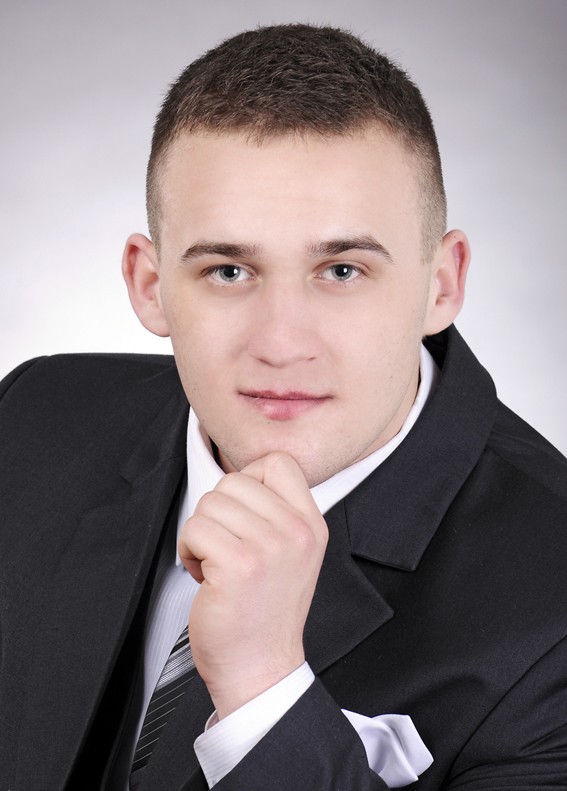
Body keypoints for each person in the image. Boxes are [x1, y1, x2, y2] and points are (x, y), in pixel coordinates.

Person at [1, 23, 566, 791]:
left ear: (441, 284)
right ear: (149, 284)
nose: (281, 343)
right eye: (228, 270)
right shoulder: (32, 416)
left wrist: (264, 692)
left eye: (341, 270)